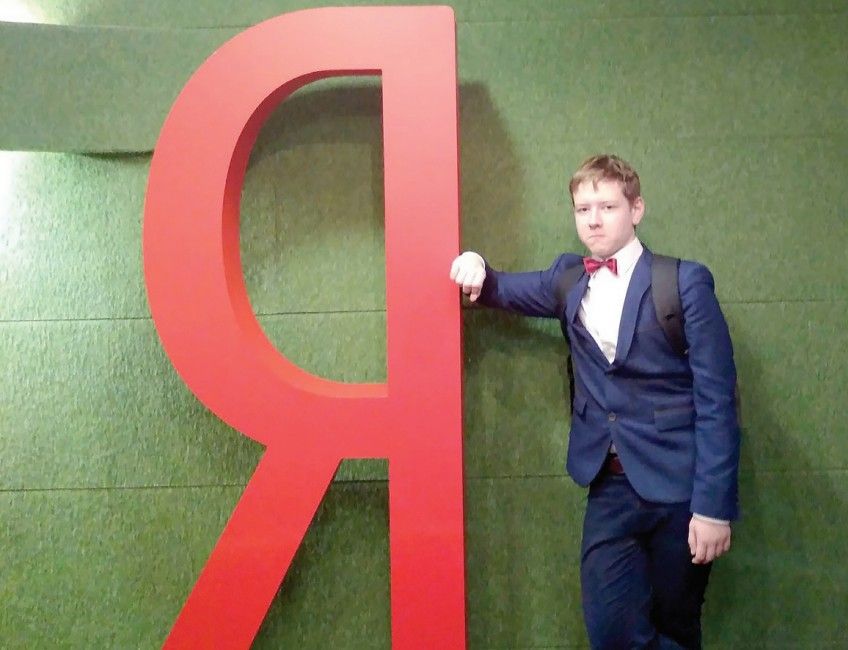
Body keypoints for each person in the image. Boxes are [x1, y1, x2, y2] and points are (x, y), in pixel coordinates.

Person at [450, 154, 740, 649]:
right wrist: (476, 264)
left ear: (636, 209)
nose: (594, 219)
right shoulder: (567, 279)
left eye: (607, 206)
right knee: (611, 631)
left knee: (677, 626)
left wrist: (713, 508)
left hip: (680, 489)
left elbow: (717, 400)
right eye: (583, 209)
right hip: (609, 486)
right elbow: (497, 288)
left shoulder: (683, 282)